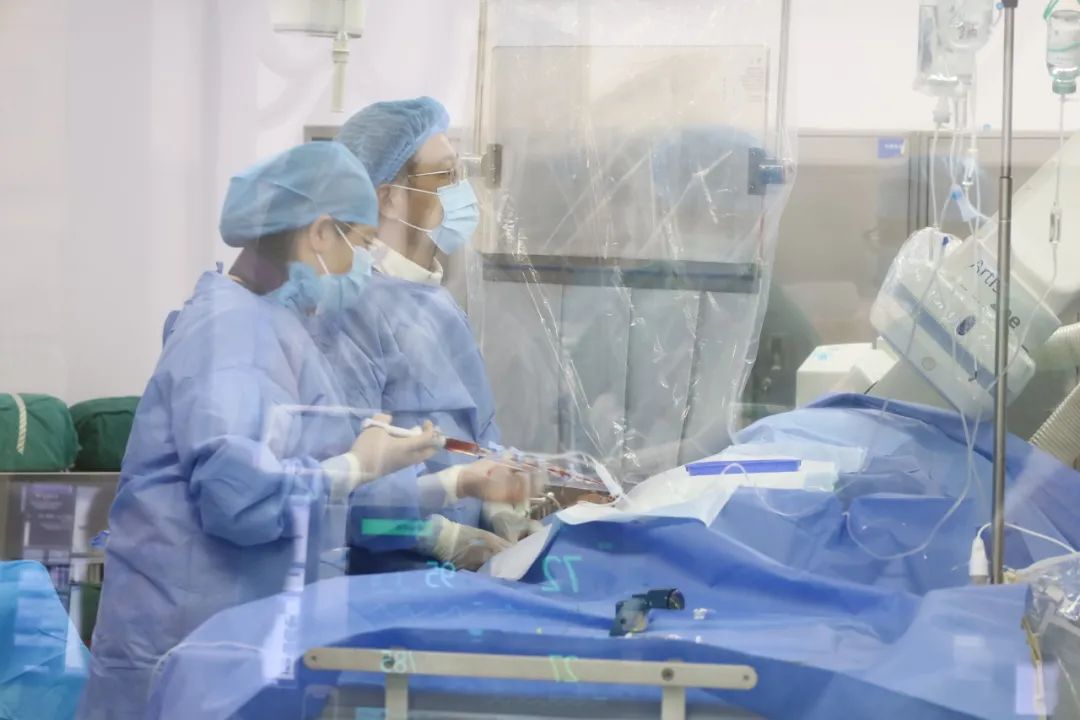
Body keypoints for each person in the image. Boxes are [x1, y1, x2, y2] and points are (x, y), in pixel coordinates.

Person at [78, 142, 527, 720]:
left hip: (238, 645)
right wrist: (358, 464)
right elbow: (241, 504)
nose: (364, 263)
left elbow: (321, 496)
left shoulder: (277, 326)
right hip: (190, 649)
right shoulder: (230, 335)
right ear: (319, 233)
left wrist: (454, 483)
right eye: (361, 242)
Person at [327, 97, 534, 572]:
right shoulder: (351, 311)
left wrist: (500, 504)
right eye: (445, 175)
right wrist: (438, 536)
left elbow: (477, 433)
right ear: (388, 198)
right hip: (389, 575)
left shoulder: (431, 297)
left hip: (462, 575)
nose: (462, 191)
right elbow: (341, 495)